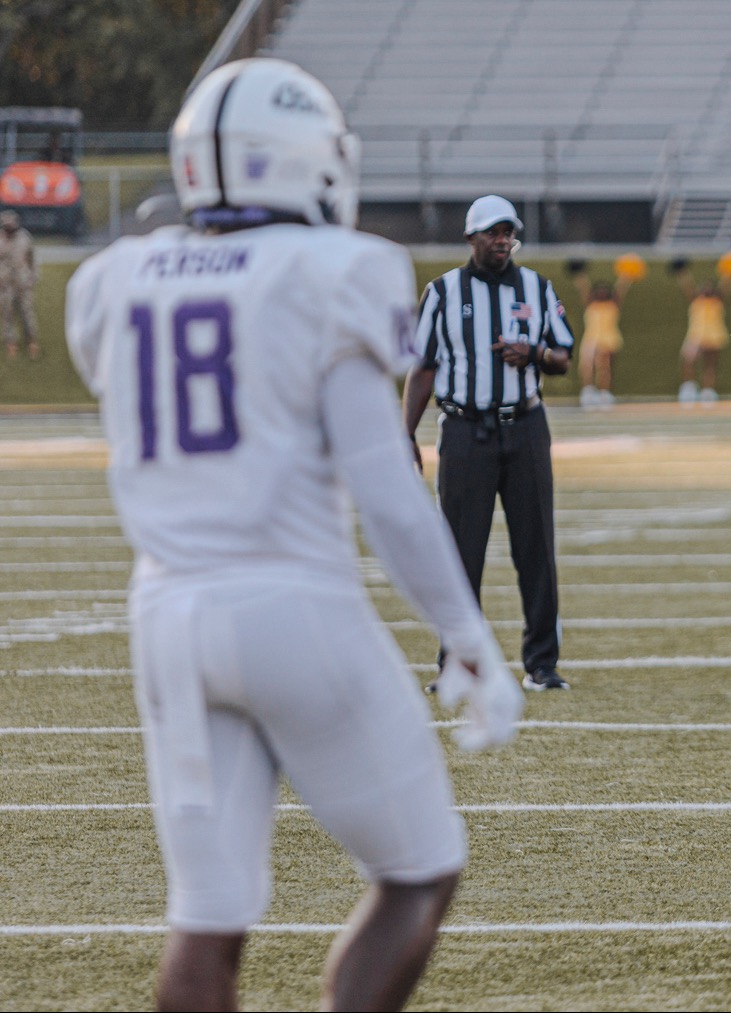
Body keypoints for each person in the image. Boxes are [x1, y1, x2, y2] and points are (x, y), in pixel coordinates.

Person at [62, 58, 522, 1011]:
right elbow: (388, 486)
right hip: (291, 604)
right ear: (302, 162)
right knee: (420, 868)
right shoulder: (332, 270)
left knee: (206, 915)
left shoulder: (114, 279)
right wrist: (468, 635)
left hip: (166, 618)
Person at [403, 194, 575, 691]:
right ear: (471, 237)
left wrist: (535, 352)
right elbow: (424, 368)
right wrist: (405, 432)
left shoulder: (536, 288)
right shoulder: (442, 292)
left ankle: (541, 664)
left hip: (524, 427)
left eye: (508, 233)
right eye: (493, 233)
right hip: (463, 430)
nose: (502, 241)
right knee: (459, 553)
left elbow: (562, 356)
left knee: (535, 547)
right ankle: (458, 662)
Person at [674, 260, 731, 404]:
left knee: (710, 365)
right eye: (703, 288)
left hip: (715, 336)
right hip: (696, 336)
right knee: (688, 360)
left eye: (709, 288)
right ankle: (689, 387)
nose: (706, 290)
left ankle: (708, 391)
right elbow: (688, 287)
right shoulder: (696, 301)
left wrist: (730, 272)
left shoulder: (718, 302)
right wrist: (683, 273)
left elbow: (725, 287)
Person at [578, 274, 631, 410]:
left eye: (604, 290)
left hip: (608, 338)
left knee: (605, 367)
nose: (601, 292)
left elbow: (620, 290)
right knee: (587, 365)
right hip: (591, 338)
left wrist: (626, 276)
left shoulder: (612, 305)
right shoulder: (591, 305)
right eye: (599, 290)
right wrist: (580, 276)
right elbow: (584, 288)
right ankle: (588, 391)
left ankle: (604, 392)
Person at [0, 209, 39, 360]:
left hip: (23, 282)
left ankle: (32, 341)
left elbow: (32, 258)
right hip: (5, 283)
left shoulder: (24, 238)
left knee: (27, 312)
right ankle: (11, 342)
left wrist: (33, 276)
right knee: (7, 313)